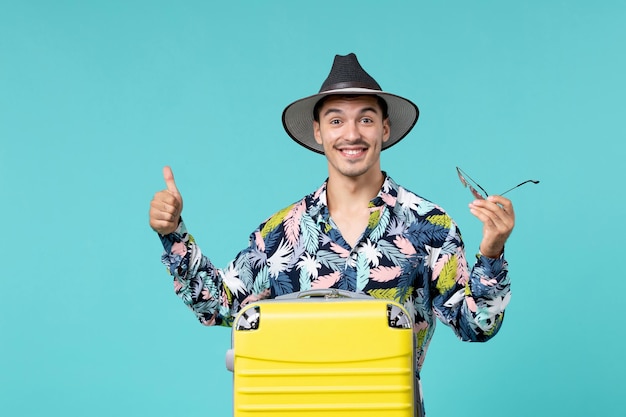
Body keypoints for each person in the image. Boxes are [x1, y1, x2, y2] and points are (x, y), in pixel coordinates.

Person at [149, 53, 514, 414]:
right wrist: (173, 233)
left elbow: (475, 325)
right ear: (318, 132)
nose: (351, 134)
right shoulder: (282, 232)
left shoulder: (429, 226)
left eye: (366, 119)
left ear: (384, 129)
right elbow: (219, 304)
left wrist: (492, 255)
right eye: (336, 120)